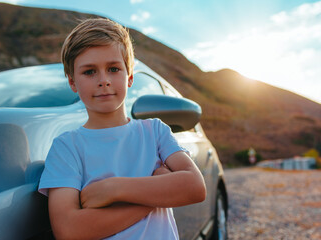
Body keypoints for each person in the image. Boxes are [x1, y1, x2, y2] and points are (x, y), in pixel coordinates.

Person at [38, 18, 206, 240]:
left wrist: (113, 189)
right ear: (72, 82)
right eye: (89, 72)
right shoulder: (67, 147)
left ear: (129, 77)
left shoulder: (155, 131)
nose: (104, 80)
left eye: (114, 68)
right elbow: (69, 230)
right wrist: (157, 193)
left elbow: (195, 187)